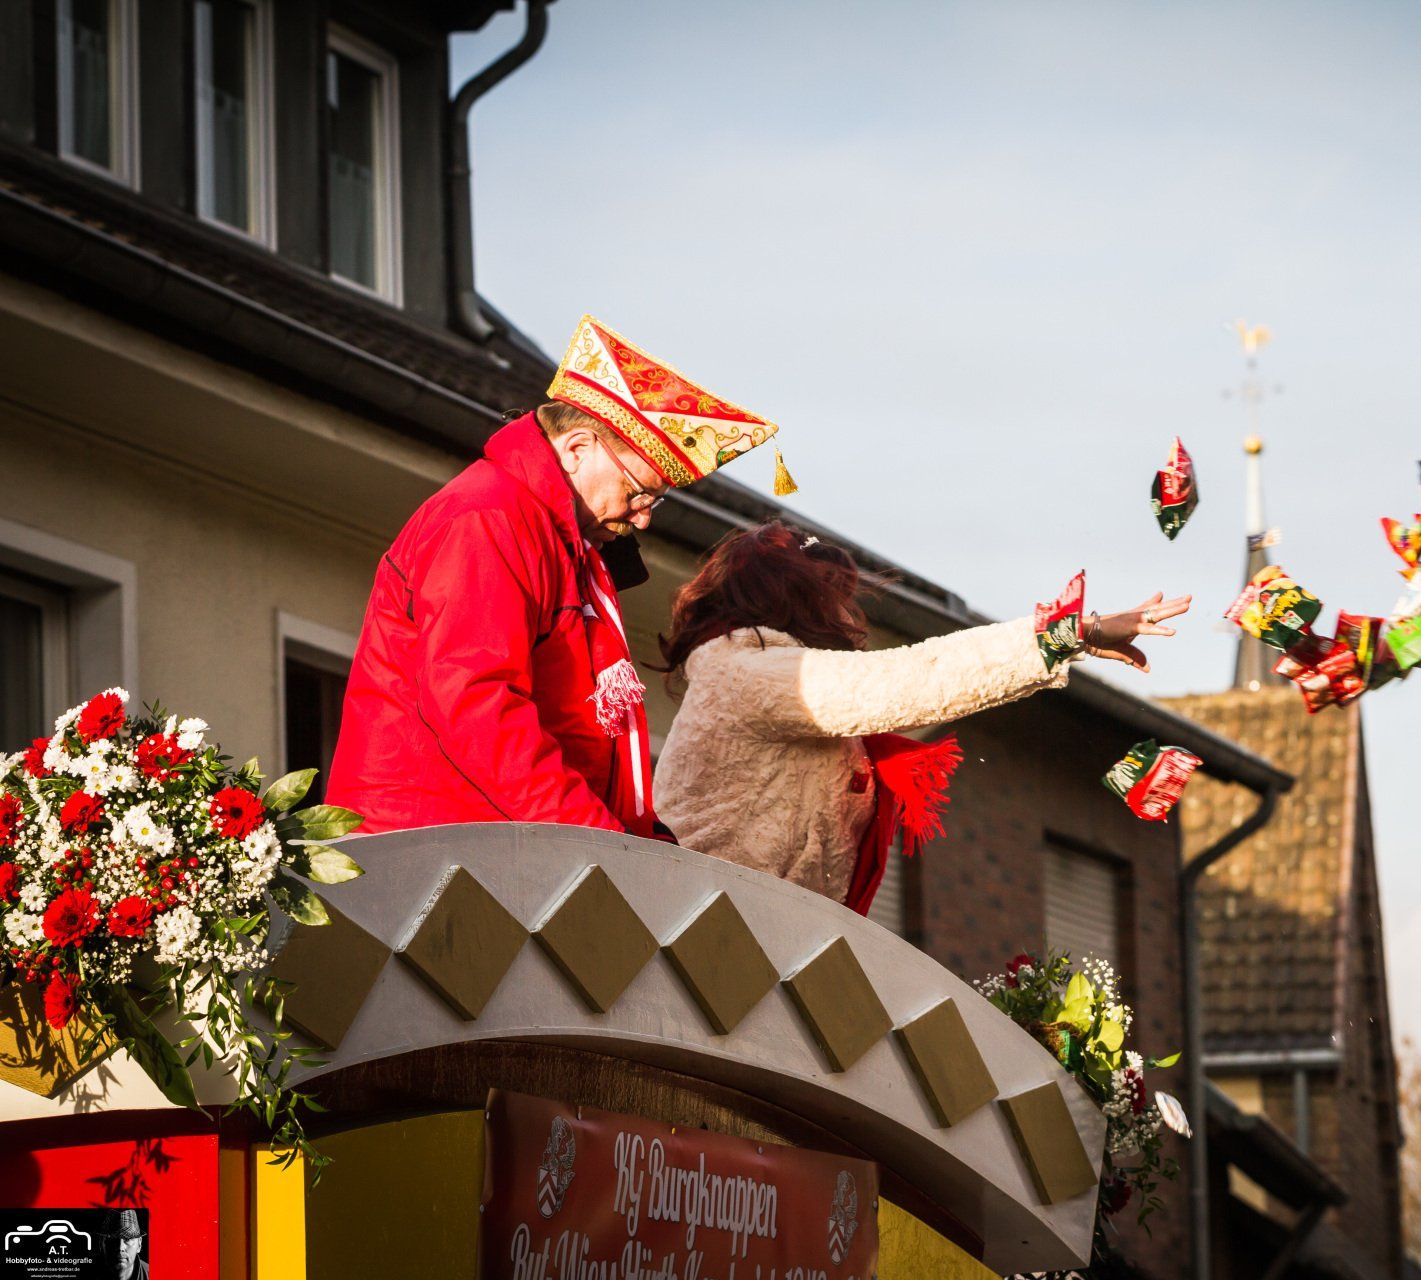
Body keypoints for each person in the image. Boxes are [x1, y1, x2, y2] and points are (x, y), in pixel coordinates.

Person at [327, 314, 779, 837]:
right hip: (436, 840)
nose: (642, 520)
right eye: (638, 493)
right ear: (577, 449)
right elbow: (476, 703)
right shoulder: (489, 518)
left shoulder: (561, 540)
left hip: (499, 842)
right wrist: (598, 839)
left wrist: (634, 837)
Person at [653, 522, 1189, 909]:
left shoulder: (751, 668)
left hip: (742, 924)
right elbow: (906, 680)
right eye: (832, 593)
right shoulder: (748, 673)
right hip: (711, 926)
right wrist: (1067, 634)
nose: (848, 611)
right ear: (789, 597)